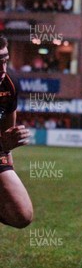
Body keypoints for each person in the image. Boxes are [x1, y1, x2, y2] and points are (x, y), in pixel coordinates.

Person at [0, 35, 34, 228]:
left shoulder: (9, 83)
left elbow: (6, 132)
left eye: (5, 60)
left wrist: (7, 152)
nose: (2, 69)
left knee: (22, 215)